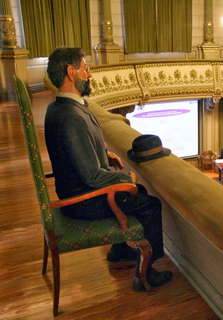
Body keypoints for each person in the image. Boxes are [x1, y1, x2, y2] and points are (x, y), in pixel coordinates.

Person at [44, 47, 172, 291]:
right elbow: (92, 176)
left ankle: (120, 248)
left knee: (139, 191)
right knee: (150, 205)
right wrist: (126, 178)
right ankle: (146, 272)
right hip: (82, 201)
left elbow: (76, 151)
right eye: (85, 68)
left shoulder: (59, 107)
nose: (89, 74)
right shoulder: (72, 117)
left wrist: (103, 153)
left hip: (71, 191)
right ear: (72, 72)